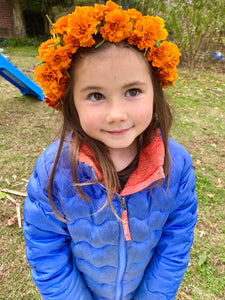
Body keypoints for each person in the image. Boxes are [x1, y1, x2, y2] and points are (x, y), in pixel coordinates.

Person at [23, 1, 198, 299]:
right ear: (70, 101)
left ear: (155, 90)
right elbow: (46, 252)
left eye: (132, 92)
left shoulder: (176, 165)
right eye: (95, 95)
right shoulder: (53, 169)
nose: (116, 114)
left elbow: (175, 245)